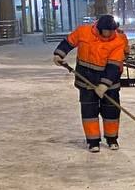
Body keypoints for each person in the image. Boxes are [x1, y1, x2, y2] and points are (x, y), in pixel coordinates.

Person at [53, 15, 129, 152]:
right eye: (107, 31)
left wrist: (104, 85)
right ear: (99, 29)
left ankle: (112, 139)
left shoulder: (118, 41)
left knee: (111, 111)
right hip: (85, 80)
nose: (110, 34)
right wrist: (59, 54)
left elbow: (114, 66)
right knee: (89, 112)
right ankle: (93, 141)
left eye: (112, 31)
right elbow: (68, 42)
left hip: (109, 83)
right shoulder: (83, 32)